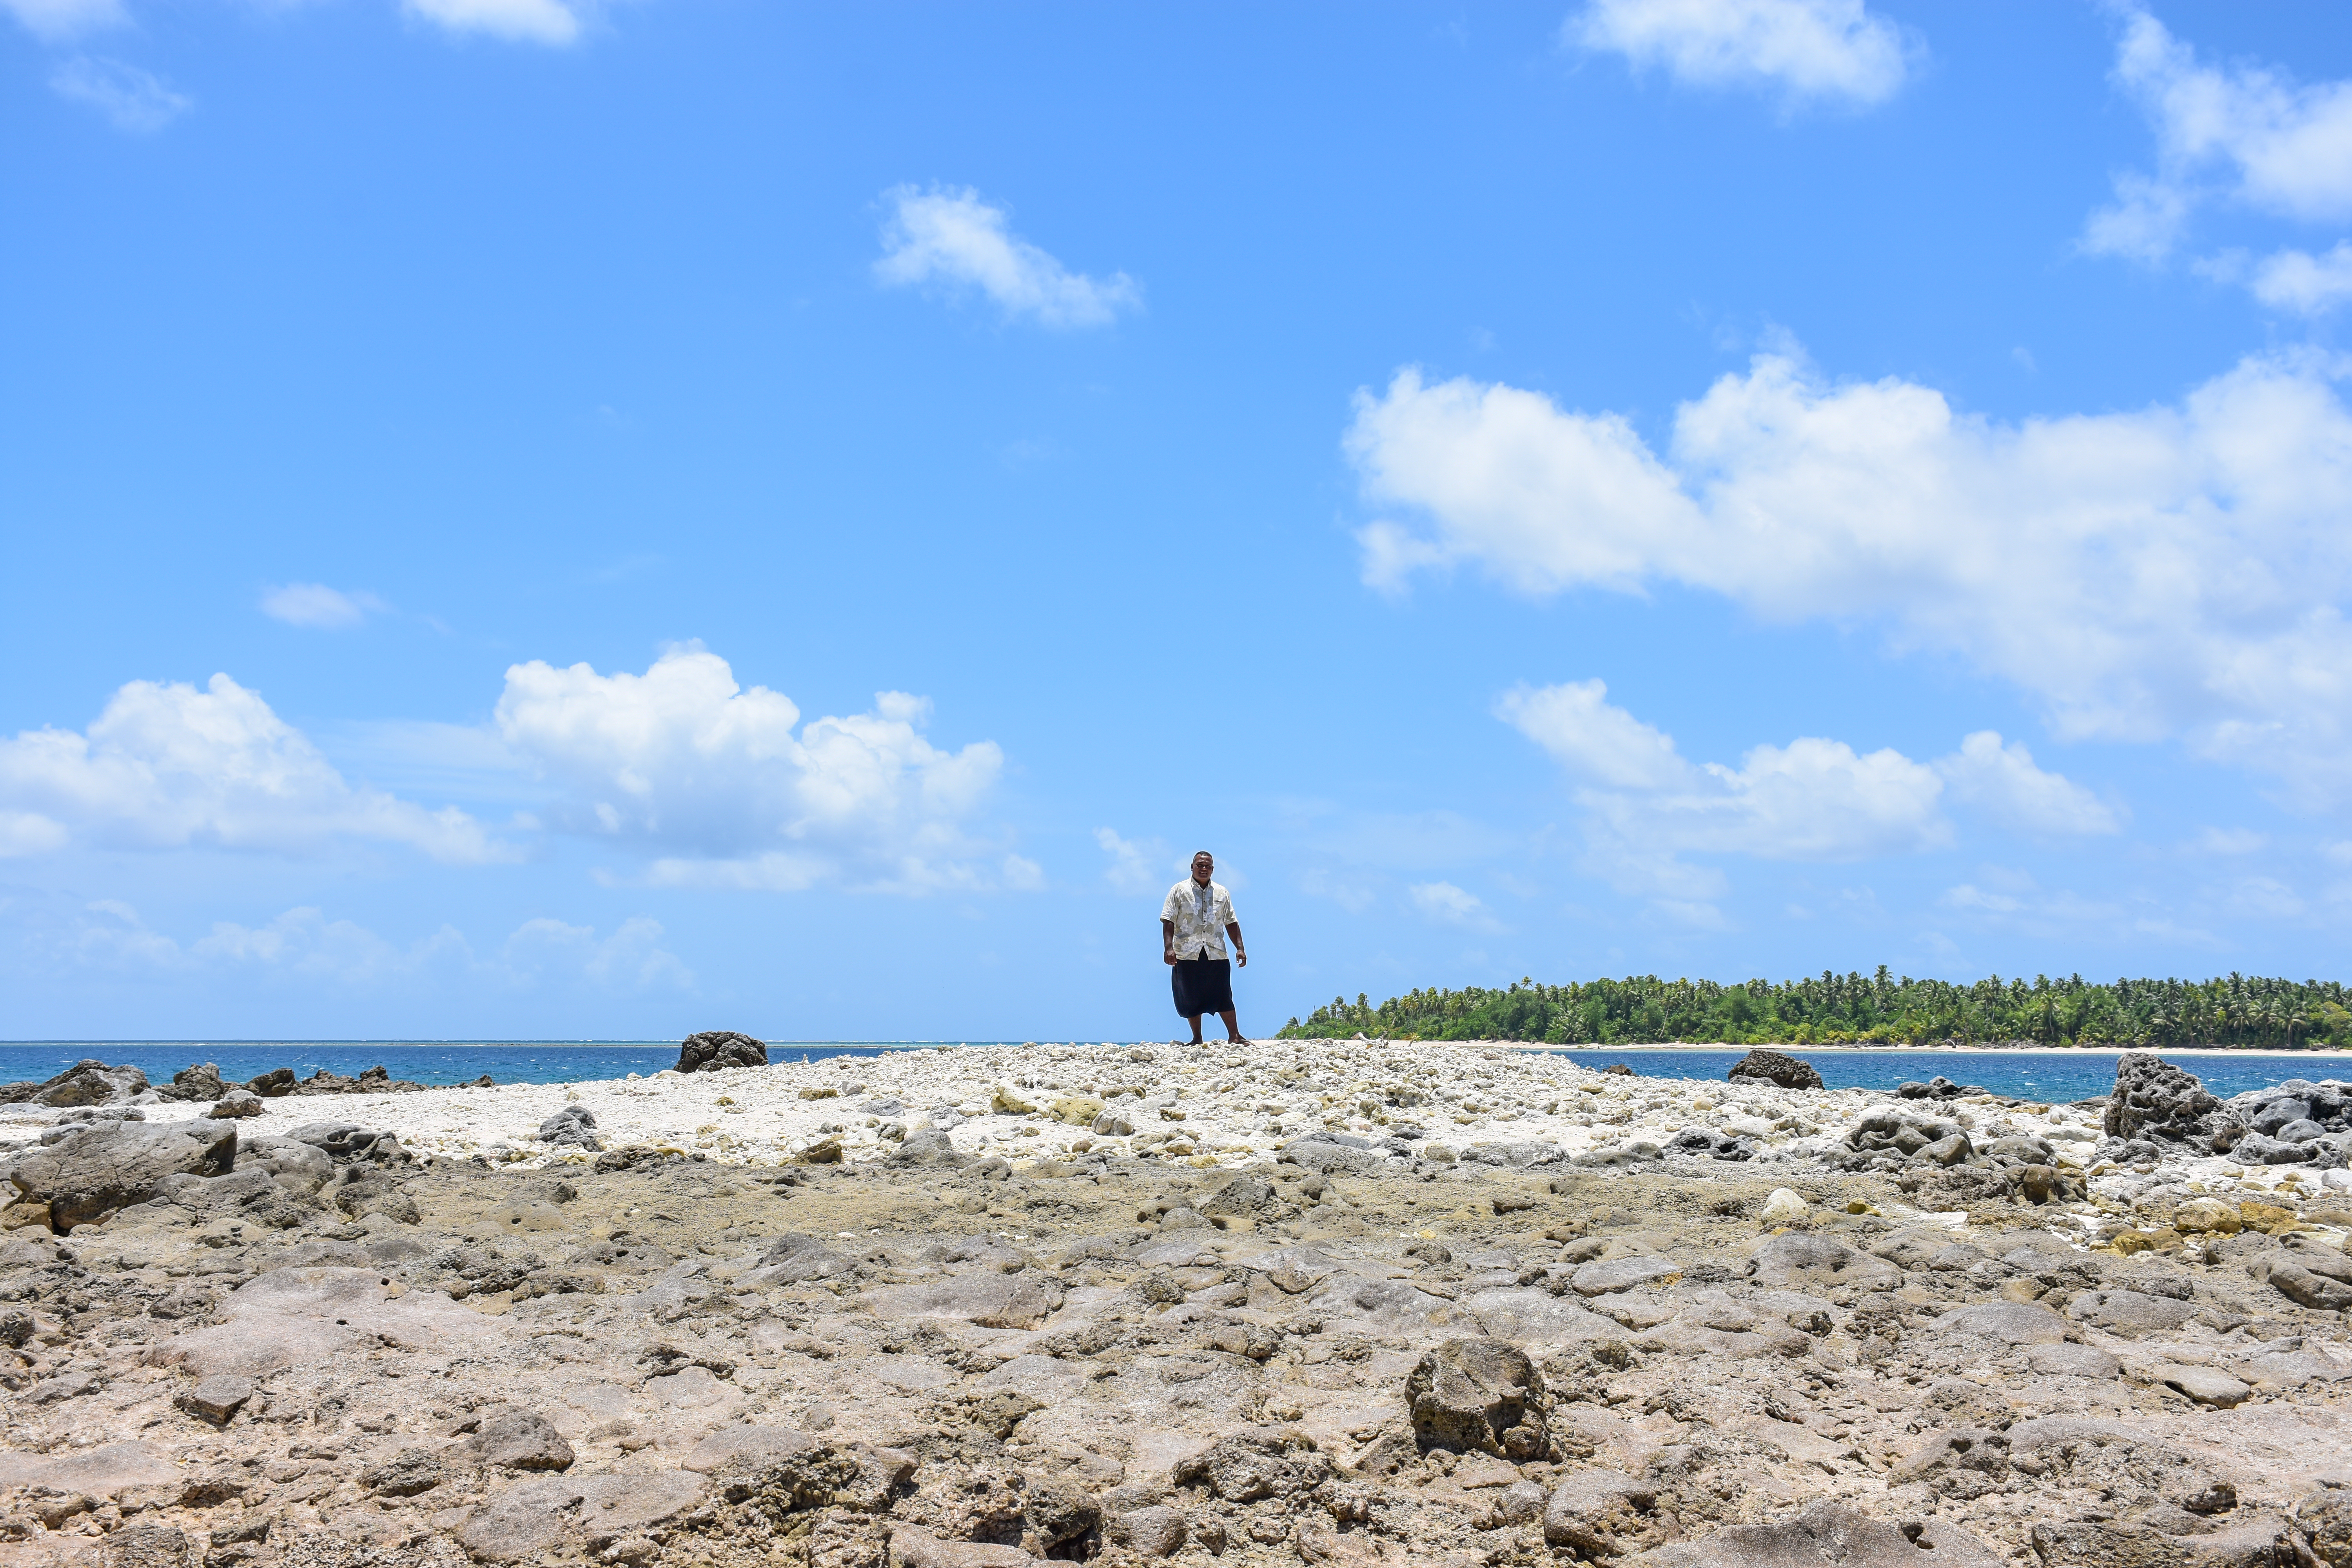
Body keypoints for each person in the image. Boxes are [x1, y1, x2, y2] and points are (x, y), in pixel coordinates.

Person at [1162, 850, 1247, 1045]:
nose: (1203, 869)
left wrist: (1240, 948)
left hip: (1216, 951)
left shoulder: (1222, 893)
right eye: (1200, 865)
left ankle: (1235, 1036)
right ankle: (1197, 1038)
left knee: (1224, 995)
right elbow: (1168, 921)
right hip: (1186, 952)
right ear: (1192, 867)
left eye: (1207, 866)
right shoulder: (1179, 890)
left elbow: (1231, 922)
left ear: (1213, 869)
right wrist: (1169, 949)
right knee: (1190, 996)